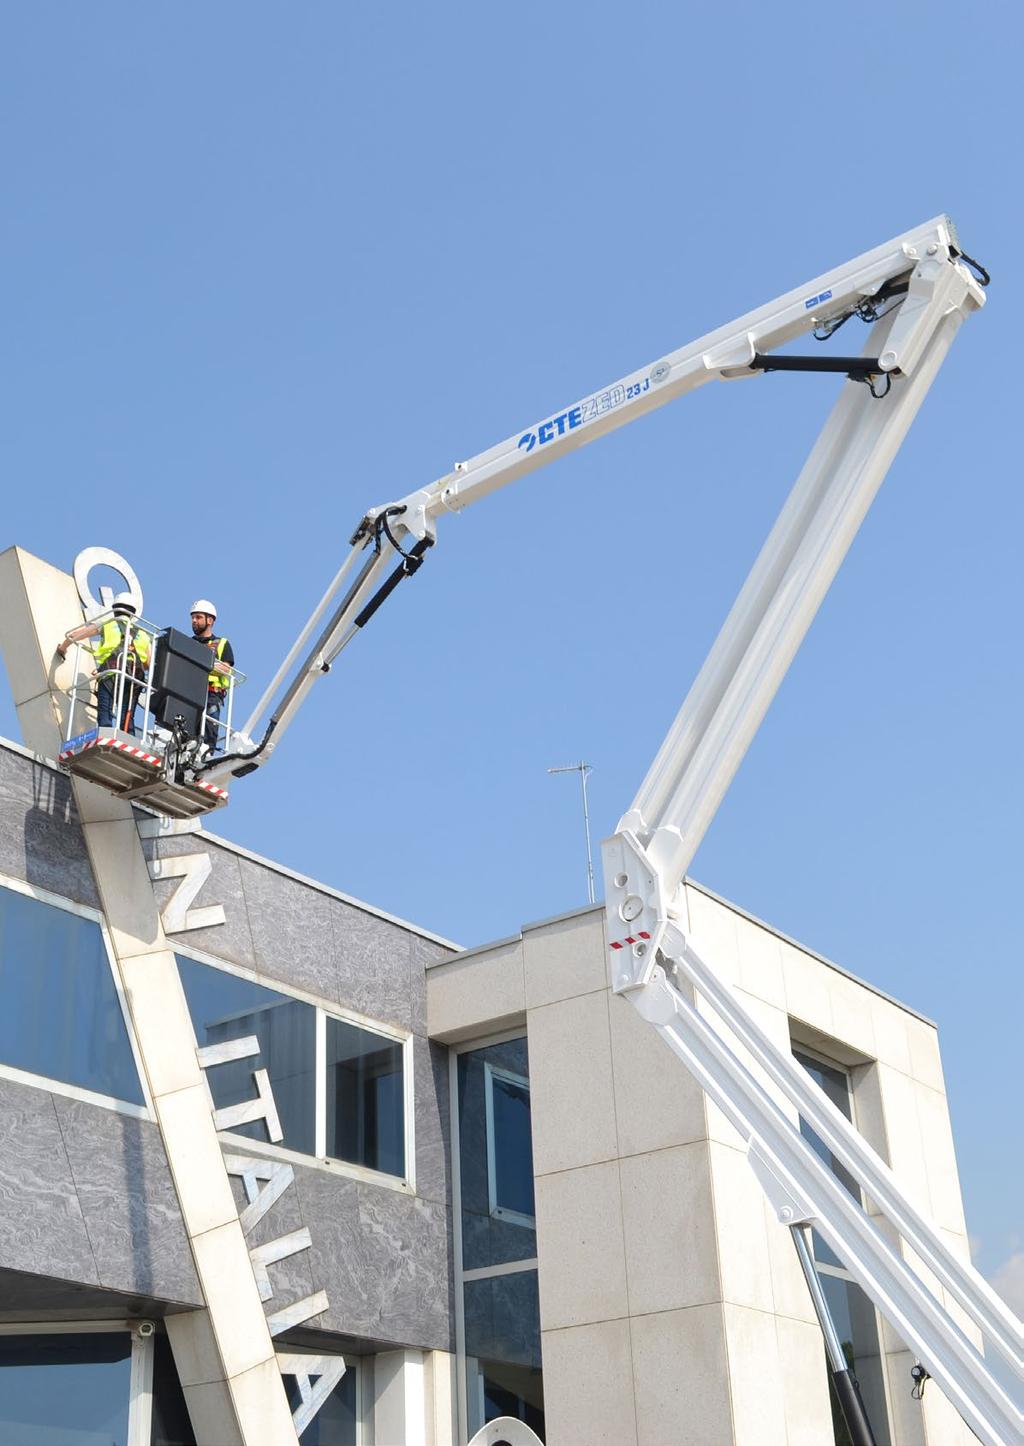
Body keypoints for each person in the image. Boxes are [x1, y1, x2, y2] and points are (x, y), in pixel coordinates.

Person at [57, 593, 152, 735]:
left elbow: (74, 635)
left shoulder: (107, 624)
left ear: (114, 609)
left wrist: (62, 649)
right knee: (127, 715)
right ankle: (128, 736)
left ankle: (105, 734)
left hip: (110, 673)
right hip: (134, 678)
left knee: (105, 711)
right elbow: (148, 663)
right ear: (133, 613)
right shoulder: (144, 634)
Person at [190, 599, 234, 752]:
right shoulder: (188, 644)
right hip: (190, 692)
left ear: (210, 620)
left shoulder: (221, 643)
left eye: (198, 617)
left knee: (209, 730)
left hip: (211, 694)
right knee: (187, 729)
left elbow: (226, 668)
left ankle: (206, 756)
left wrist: (204, 663)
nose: (194, 621)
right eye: (193, 617)